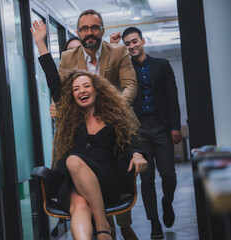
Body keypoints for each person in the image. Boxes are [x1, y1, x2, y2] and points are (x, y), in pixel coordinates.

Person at [30, 20, 148, 240]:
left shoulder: (114, 117)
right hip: (72, 185)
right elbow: (54, 81)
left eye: (86, 86)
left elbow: (130, 143)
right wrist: (40, 44)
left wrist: (138, 153)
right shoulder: (69, 115)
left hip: (106, 181)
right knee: (79, 205)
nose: (81, 91)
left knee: (73, 161)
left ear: (97, 90)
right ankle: (102, 230)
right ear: (71, 96)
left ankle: (102, 227)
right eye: (75, 89)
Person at [111, 27, 182, 239]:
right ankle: (154, 223)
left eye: (134, 42)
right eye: (127, 44)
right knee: (147, 179)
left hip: (161, 126)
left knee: (169, 174)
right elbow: (112, 80)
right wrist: (114, 47)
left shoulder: (162, 65)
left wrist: (175, 126)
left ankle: (167, 202)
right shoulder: (125, 68)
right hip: (138, 129)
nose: (131, 46)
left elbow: (172, 98)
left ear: (143, 40)